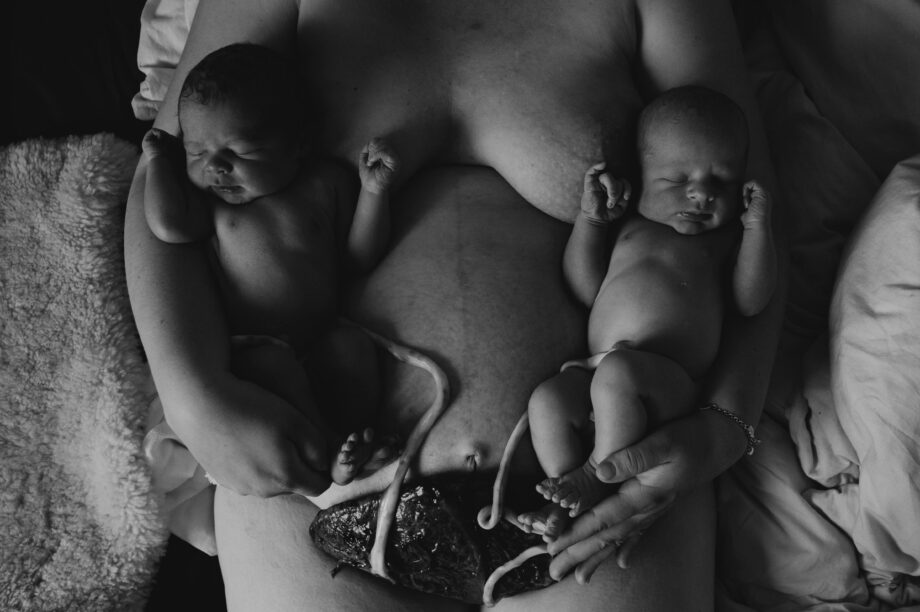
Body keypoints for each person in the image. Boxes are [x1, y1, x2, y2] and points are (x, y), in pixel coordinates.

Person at [123, 0, 785, 609]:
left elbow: (752, 203)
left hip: (602, 491)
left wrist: (726, 425)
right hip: (312, 478)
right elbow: (165, 172)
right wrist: (194, 395)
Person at [520, 86, 776, 539]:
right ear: (640, 177)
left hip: (665, 383)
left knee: (618, 373)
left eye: (722, 181)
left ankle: (596, 473)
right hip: (597, 371)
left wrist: (758, 230)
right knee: (547, 400)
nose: (701, 193)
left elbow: (751, 302)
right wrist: (591, 221)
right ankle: (564, 493)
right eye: (677, 180)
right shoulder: (628, 227)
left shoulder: (723, 241)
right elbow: (584, 288)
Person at [142, 42, 400, 485]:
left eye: (239, 151)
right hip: (254, 347)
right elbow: (167, 225)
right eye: (197, 153)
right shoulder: (211, 205)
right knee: (273, 368)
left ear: (297, 145)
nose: (216, 168)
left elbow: (359, 257)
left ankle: (352, 439)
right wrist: (159, 163)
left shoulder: (326, 184)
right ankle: (327, 449)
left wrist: (373, 193)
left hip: (322, 333)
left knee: (353, 350)